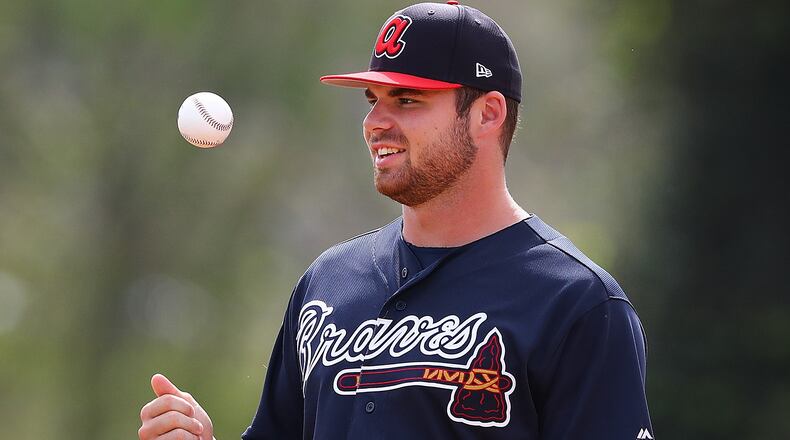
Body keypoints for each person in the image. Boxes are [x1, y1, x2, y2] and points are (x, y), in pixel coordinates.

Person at [138, 2, 654, 439]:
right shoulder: (328, 282)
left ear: (487, 114)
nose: (374, 123)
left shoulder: (577, 303)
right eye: (373, 100)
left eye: (407, 100)